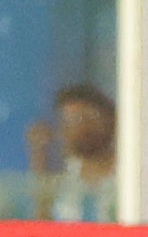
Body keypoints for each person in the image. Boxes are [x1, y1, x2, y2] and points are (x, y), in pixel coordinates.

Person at [27, 80, 117, 221]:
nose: (72, 130)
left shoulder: (129, 176)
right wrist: (39, 155)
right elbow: (43, 224)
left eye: (81, 119)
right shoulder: (66, 177)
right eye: (66, 121)